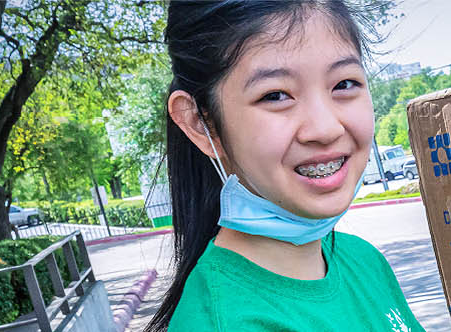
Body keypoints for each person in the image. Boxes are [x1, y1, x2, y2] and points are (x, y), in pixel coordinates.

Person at [146, 1, 424, 330]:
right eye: (276, 95)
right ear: (200, 123)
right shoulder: (222, 322)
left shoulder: (363, 261)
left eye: (344, 84)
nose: (326, 128)